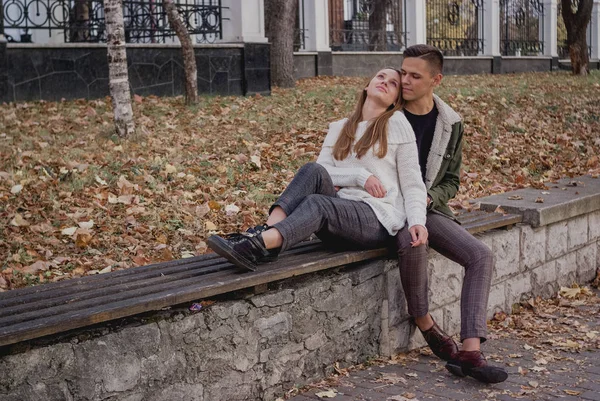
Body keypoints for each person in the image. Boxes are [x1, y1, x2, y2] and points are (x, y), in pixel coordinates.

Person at [207, 68, 428, 274]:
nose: (385, 83)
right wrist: (360, 177)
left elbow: (412, 183)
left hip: (376, 219)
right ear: (367, 85)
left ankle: (259, 245)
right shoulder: (339, 127)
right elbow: (324, 172)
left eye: (393, 84)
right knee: (312, 170)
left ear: (395, 101)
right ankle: (264, 232)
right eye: (381, 77)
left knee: (316, 203)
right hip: (337, 216)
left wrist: (417, 221)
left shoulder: (397, 124)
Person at [395, 44, 508, 384]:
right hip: (388, 208)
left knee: (480, 255)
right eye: (403, 73)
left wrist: (430, 197)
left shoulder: (450, 122)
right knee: (414, 245)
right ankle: (427, 326)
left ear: (436, 80)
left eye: (415, 76)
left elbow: (453, 180)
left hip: (427, 208)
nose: (405, 81)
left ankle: (470, 350)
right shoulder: (388, 112)